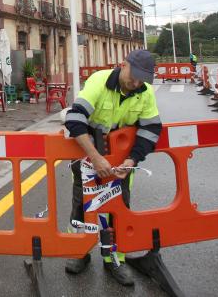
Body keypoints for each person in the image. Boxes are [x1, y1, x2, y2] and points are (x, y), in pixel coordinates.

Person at [61, 49, 162, 287]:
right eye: (133, 76)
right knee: (82, 204)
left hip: (121, 162)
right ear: (122, 65)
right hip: (87, 155)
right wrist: (95, 157)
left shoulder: (144, 92)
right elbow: (75, 119)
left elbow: (151, 129)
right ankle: (79, 252)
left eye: (142, 80)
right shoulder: (99, 81)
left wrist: (132, 161)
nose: (136, 83)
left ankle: (114, 258)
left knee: (120, 207)